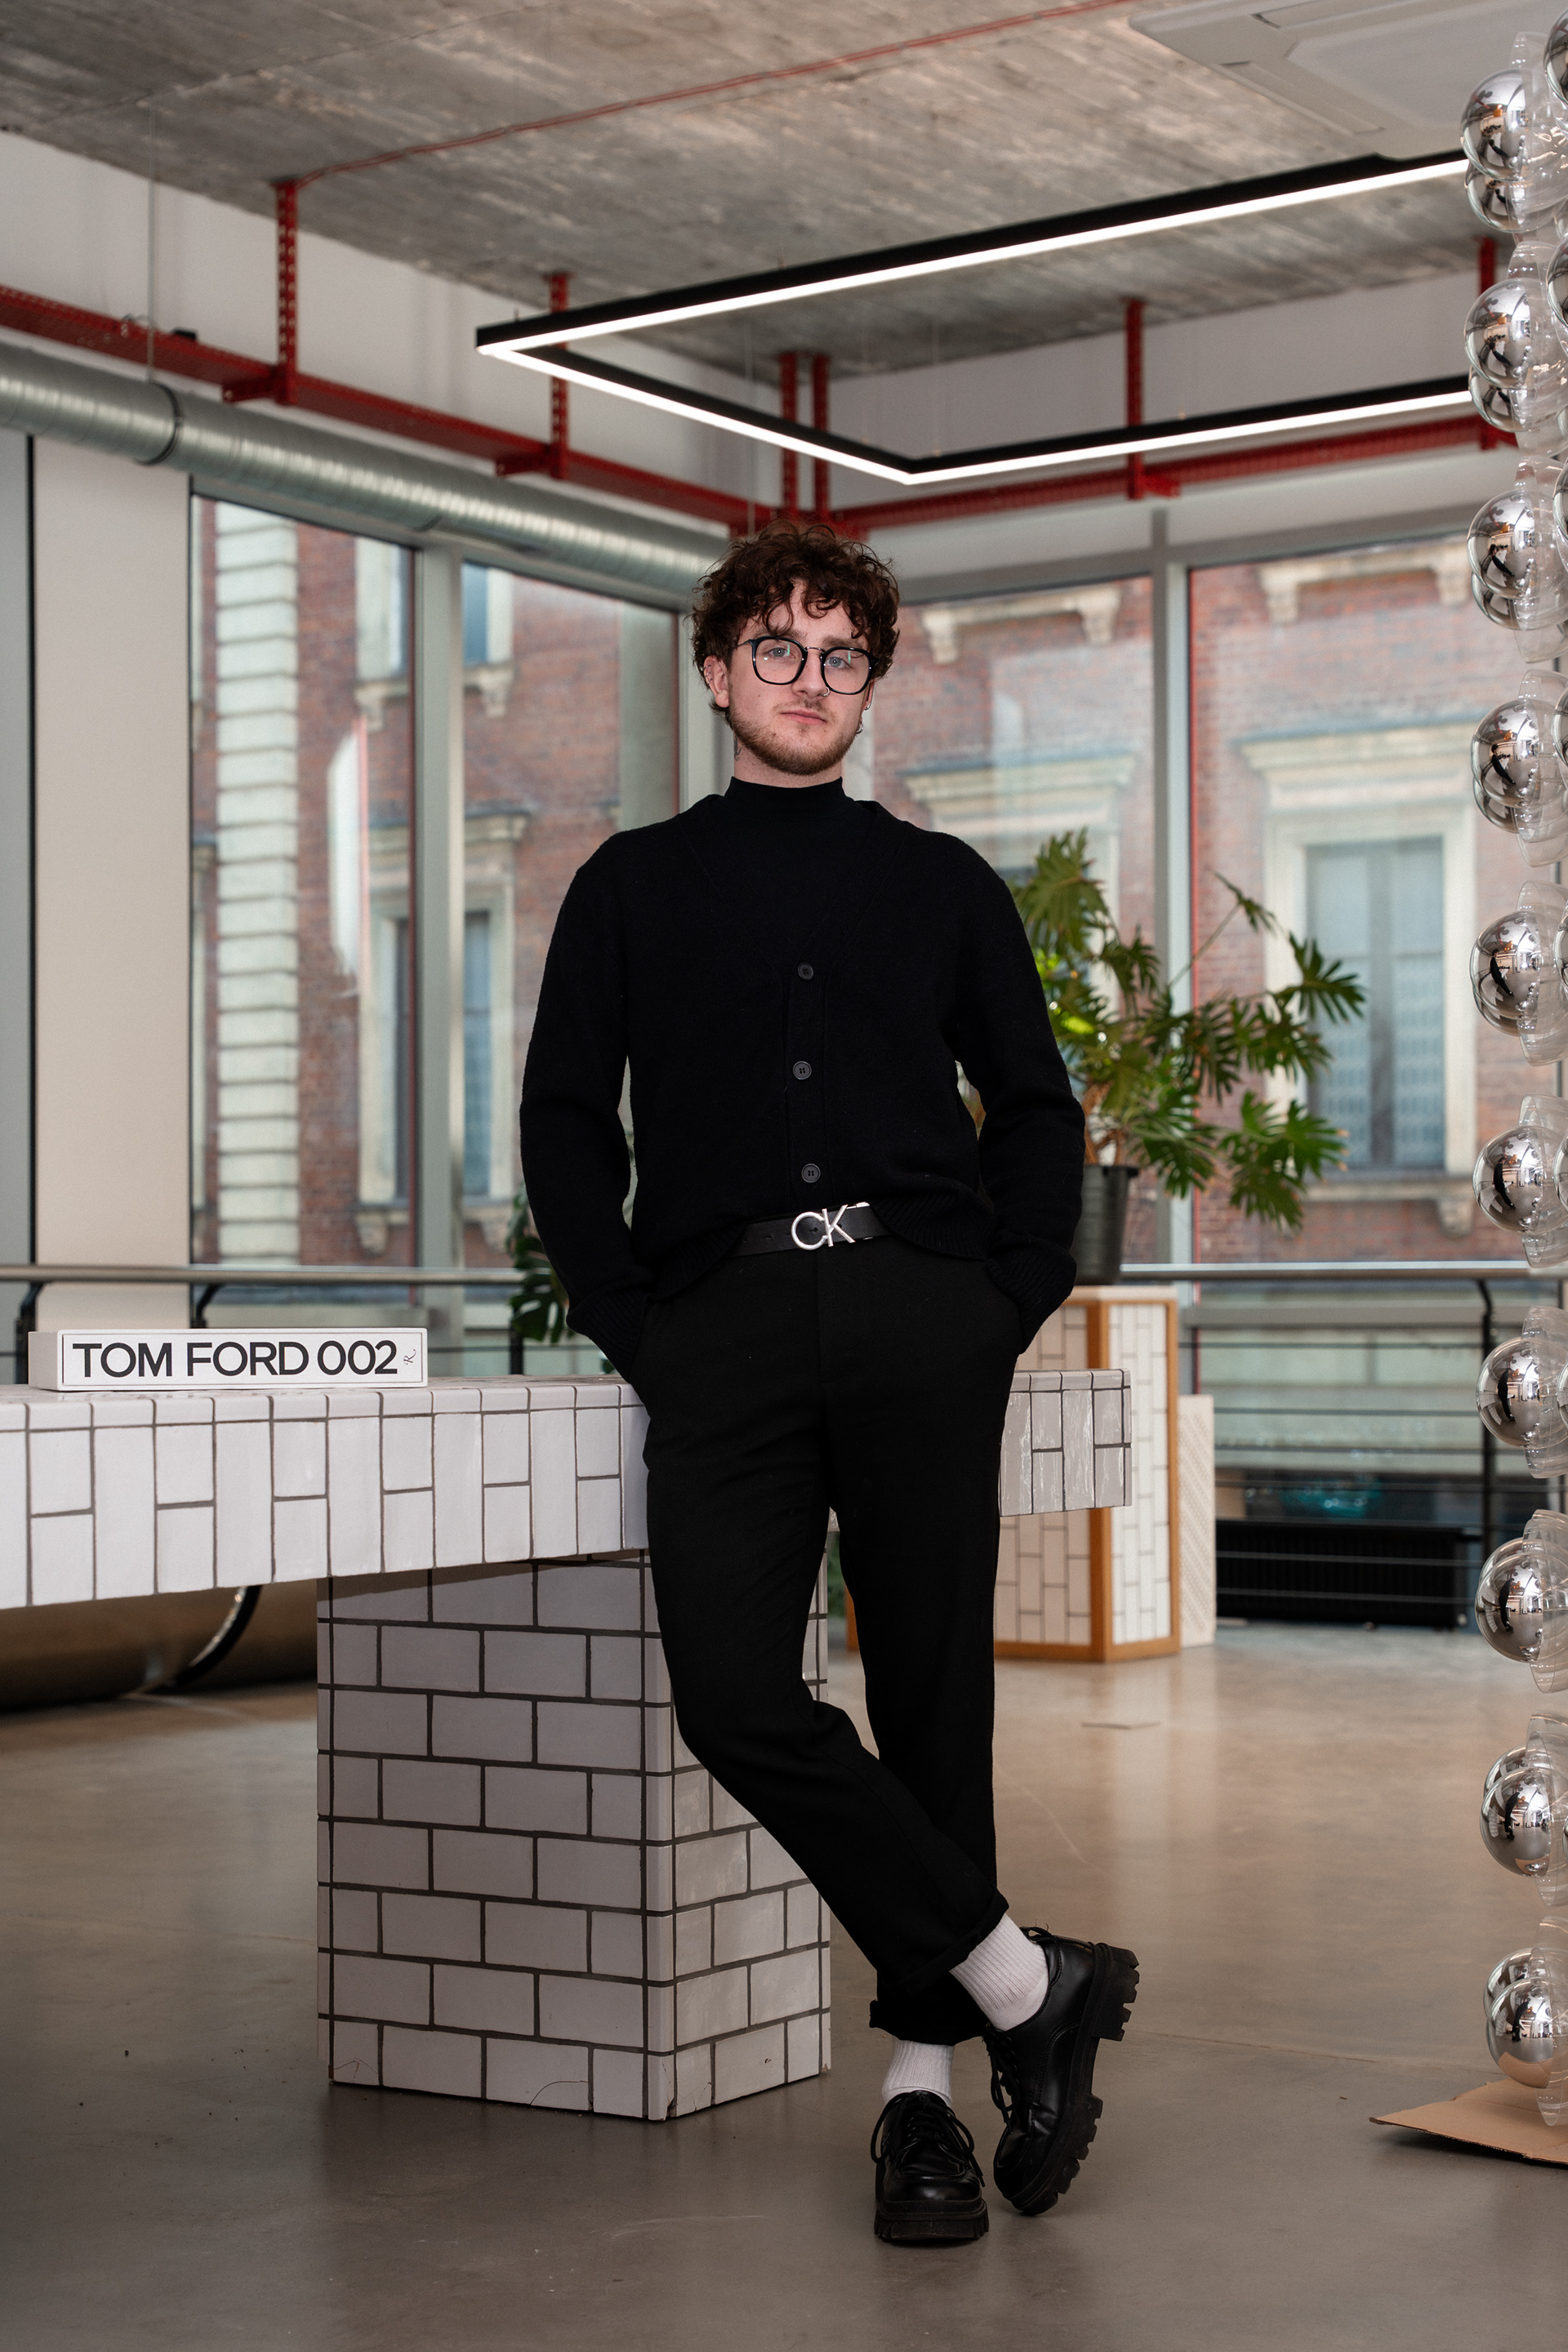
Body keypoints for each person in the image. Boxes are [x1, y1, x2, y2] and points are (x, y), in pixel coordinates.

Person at [519, 518, 1137, 2243]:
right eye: (777, 650)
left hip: (919, 1316)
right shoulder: (630, 885)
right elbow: (563, 1121)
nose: (809, 679)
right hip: (718, 1327)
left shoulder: (943, 888)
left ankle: (921, 2107)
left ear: (872, 683)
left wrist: (1006, 1295)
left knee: (935, 1702)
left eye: (840, 655)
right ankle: (1027, 1984)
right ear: (719, 674)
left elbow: (1036, 1110)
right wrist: (636, 1321)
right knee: (732, 1696)